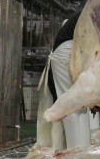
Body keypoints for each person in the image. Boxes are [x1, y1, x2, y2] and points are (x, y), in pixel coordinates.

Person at [35, 10, 92, 150]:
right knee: (73, 105)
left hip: (75, 51)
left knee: (77, 106)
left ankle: (71, 150)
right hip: (68, 54)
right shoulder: (98, 11)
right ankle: (77, 153)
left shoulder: (98, 10)